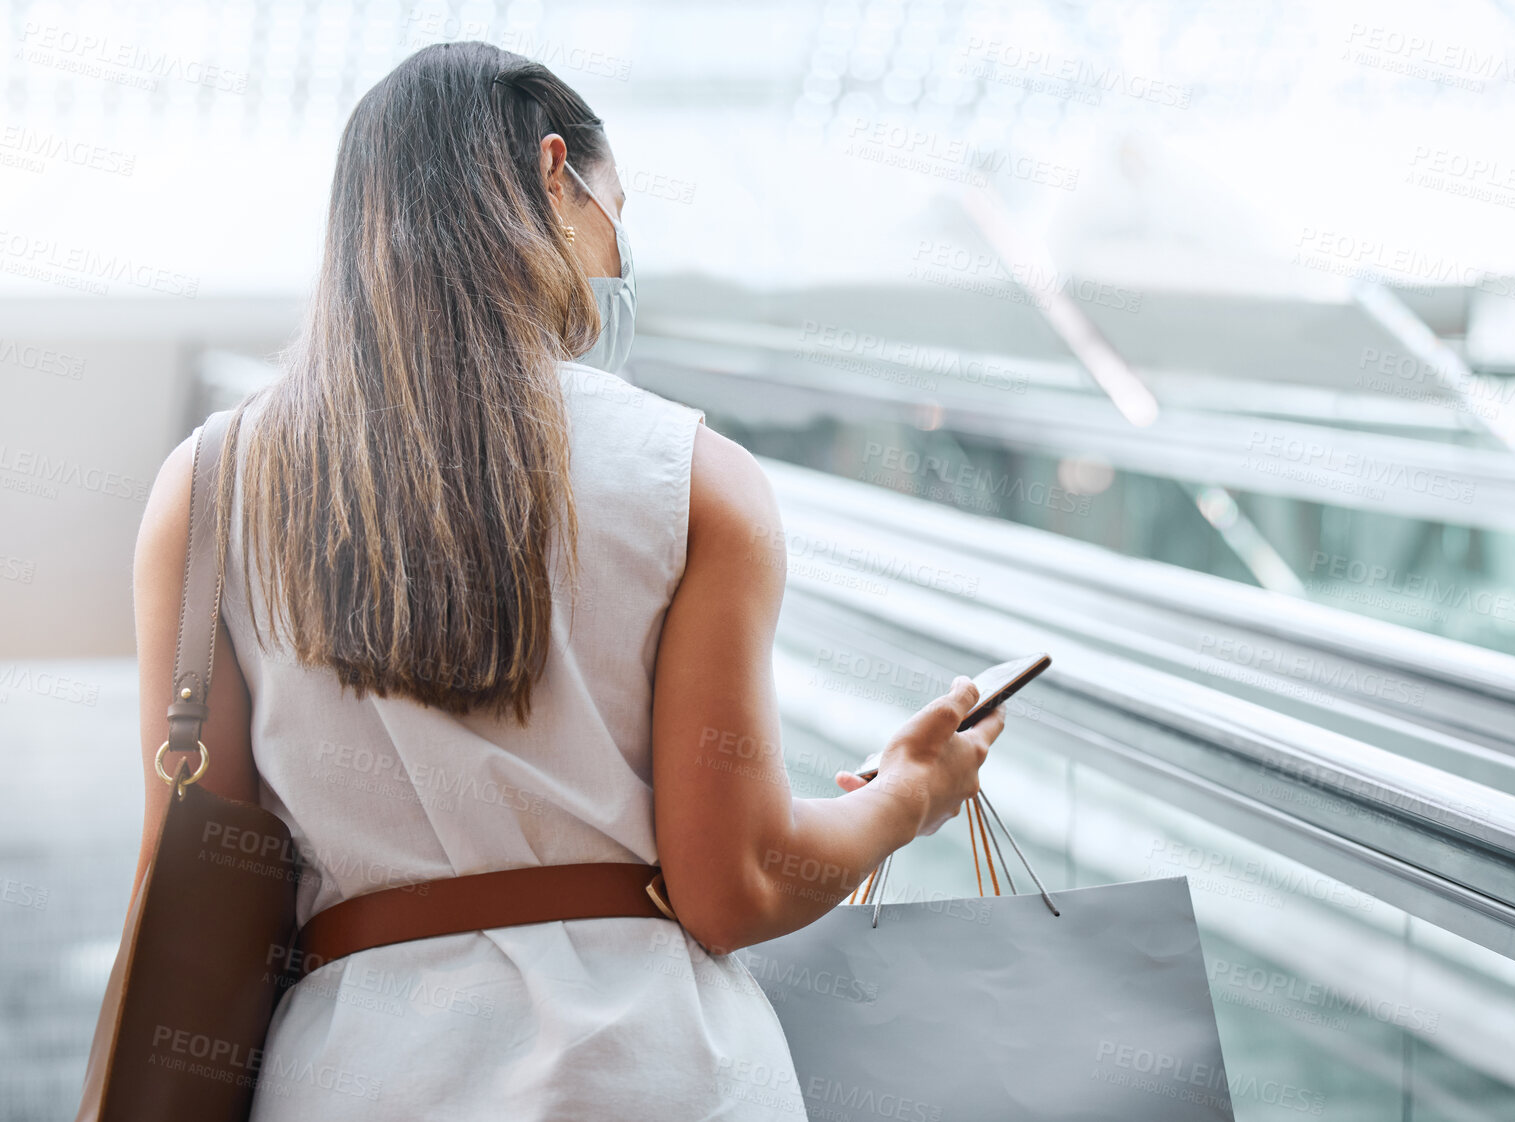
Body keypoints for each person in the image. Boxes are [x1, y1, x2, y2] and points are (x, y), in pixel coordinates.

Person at [128, 41, 1002, 1120]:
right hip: (652, 1074)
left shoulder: (211, 488)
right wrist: (910, 796)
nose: (616, 259)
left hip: (355, 1079)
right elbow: (733, 885)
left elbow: (210, 856)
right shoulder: (694, 480)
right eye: (614, 210)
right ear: (555, 174)